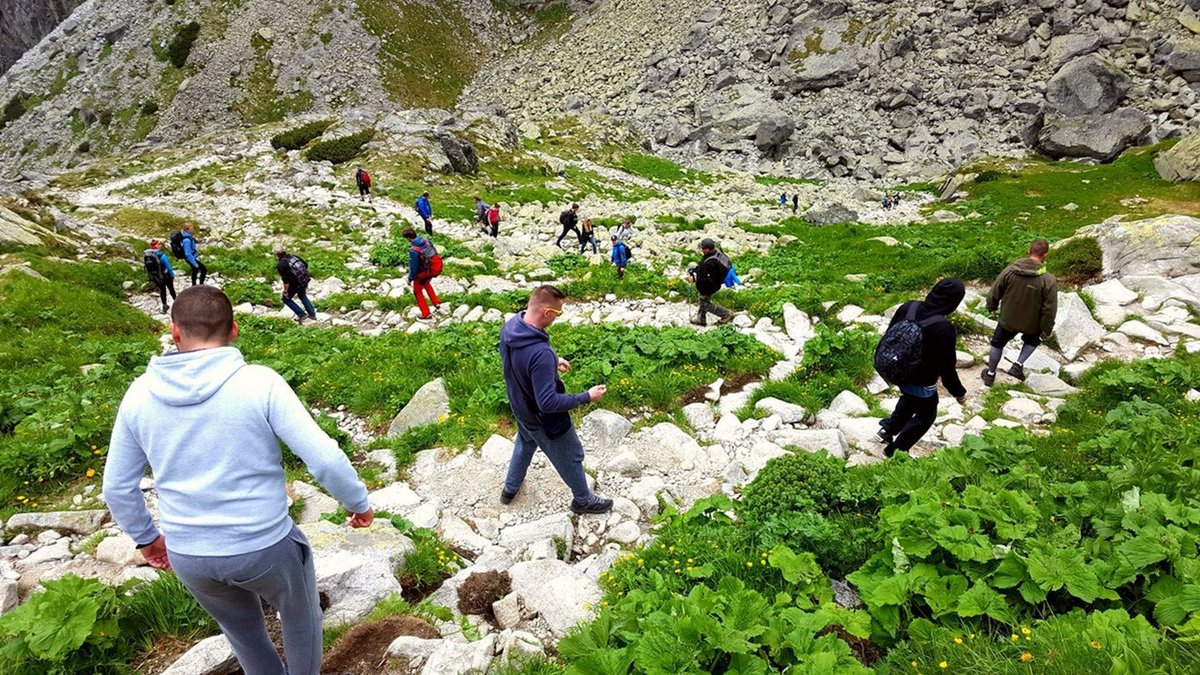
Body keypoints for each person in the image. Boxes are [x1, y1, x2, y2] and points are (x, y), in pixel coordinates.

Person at [102, 285, 374, 675]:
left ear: (174, 332)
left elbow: (115, 487)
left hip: (190, 553)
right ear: (234, 331)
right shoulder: (259, 382)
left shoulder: (139, 394)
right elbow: (325, 458)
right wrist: (357, 502)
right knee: (302, 619)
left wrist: (147, 539)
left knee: (243, 633)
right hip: (264, 544)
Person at [499, 285, 613, 515]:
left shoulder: (512, 326)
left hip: (520, 406)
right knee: (571, 456)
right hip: (543, 418)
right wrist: (587, 397)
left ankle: (510, 489)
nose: (558, 317)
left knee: (526, 442)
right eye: (558, 312)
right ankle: (583, 500)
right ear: (545, 313)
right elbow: (548, 403)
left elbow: (522, 362)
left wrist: (551, 361)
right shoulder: (540, 353)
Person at [875, 278, 968, 457]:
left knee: (910, 398)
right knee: (927, 414)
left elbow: (890, 335)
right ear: (954, 302)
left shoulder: (909, 307)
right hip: (920, 379)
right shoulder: (943, 327)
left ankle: (887, 430)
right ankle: (895, 452)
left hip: (892, 367)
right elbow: (947, 368)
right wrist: (959, 392)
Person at [981, 239, 1058, 386]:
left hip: (1007, 320)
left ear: (1029, 251)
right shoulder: (1048, 280)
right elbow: (1050, 308)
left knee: (997, 343)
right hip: (1032, 324)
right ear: (1046, 255)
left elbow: (995, 290)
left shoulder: (1010, 270)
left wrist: (991, 306)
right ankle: (1017, 365)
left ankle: (990, 374)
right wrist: (1047, 328)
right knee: (1033, 339)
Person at [688, 238, 734, 326]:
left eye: (703, 248)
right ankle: (701, 319)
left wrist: (694, 279)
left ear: (708, 249)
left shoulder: (711, 263)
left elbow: (705, 278)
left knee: (705, 303)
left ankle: (726, 314)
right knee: (703, 300)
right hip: (714, 282)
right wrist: (695, 270)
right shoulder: (715, 253)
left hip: (710, 285)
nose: (701, 250)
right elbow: (702, 266)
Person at [404, 227, 442, 320]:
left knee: (417, 292)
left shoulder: (414, 250)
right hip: (433, 268)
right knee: (426, 284)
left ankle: (425, 313)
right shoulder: (426, 241)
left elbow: (413, 267)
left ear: (408, 238)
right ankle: (436, 302)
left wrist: (410, 278)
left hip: (422, 272)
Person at [275, 246, 318, 324]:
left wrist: (285, 291)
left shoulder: (280, 265)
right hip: (304, 280)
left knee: (286, 299)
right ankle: (312, 314)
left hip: (295, 284)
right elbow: (306, 265)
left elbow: (286, 281)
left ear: (277, 254)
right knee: (302, 295)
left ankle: (301, 314)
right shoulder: (294, 256)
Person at [143, 240, 177, 314]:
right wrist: (172, 276)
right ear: (156, 246)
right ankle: (177, 303)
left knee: (162, 290)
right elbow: (168, 267)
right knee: (171, 289)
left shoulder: (147, 256)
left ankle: (164, 305)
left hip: (157, 277)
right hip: (166, 276)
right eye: (159, 244)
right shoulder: (162, 255)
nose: (160, 245)